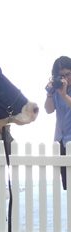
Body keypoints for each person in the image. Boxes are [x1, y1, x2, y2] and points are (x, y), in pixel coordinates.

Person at [45, 56, 71, 190]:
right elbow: (48, 110)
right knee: (67, 185)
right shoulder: (56, 89)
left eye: (68, 74)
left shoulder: (63, 92)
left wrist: (64, 95)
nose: (66, 78)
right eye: (62, 76)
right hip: (61, 141)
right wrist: (50, 94)